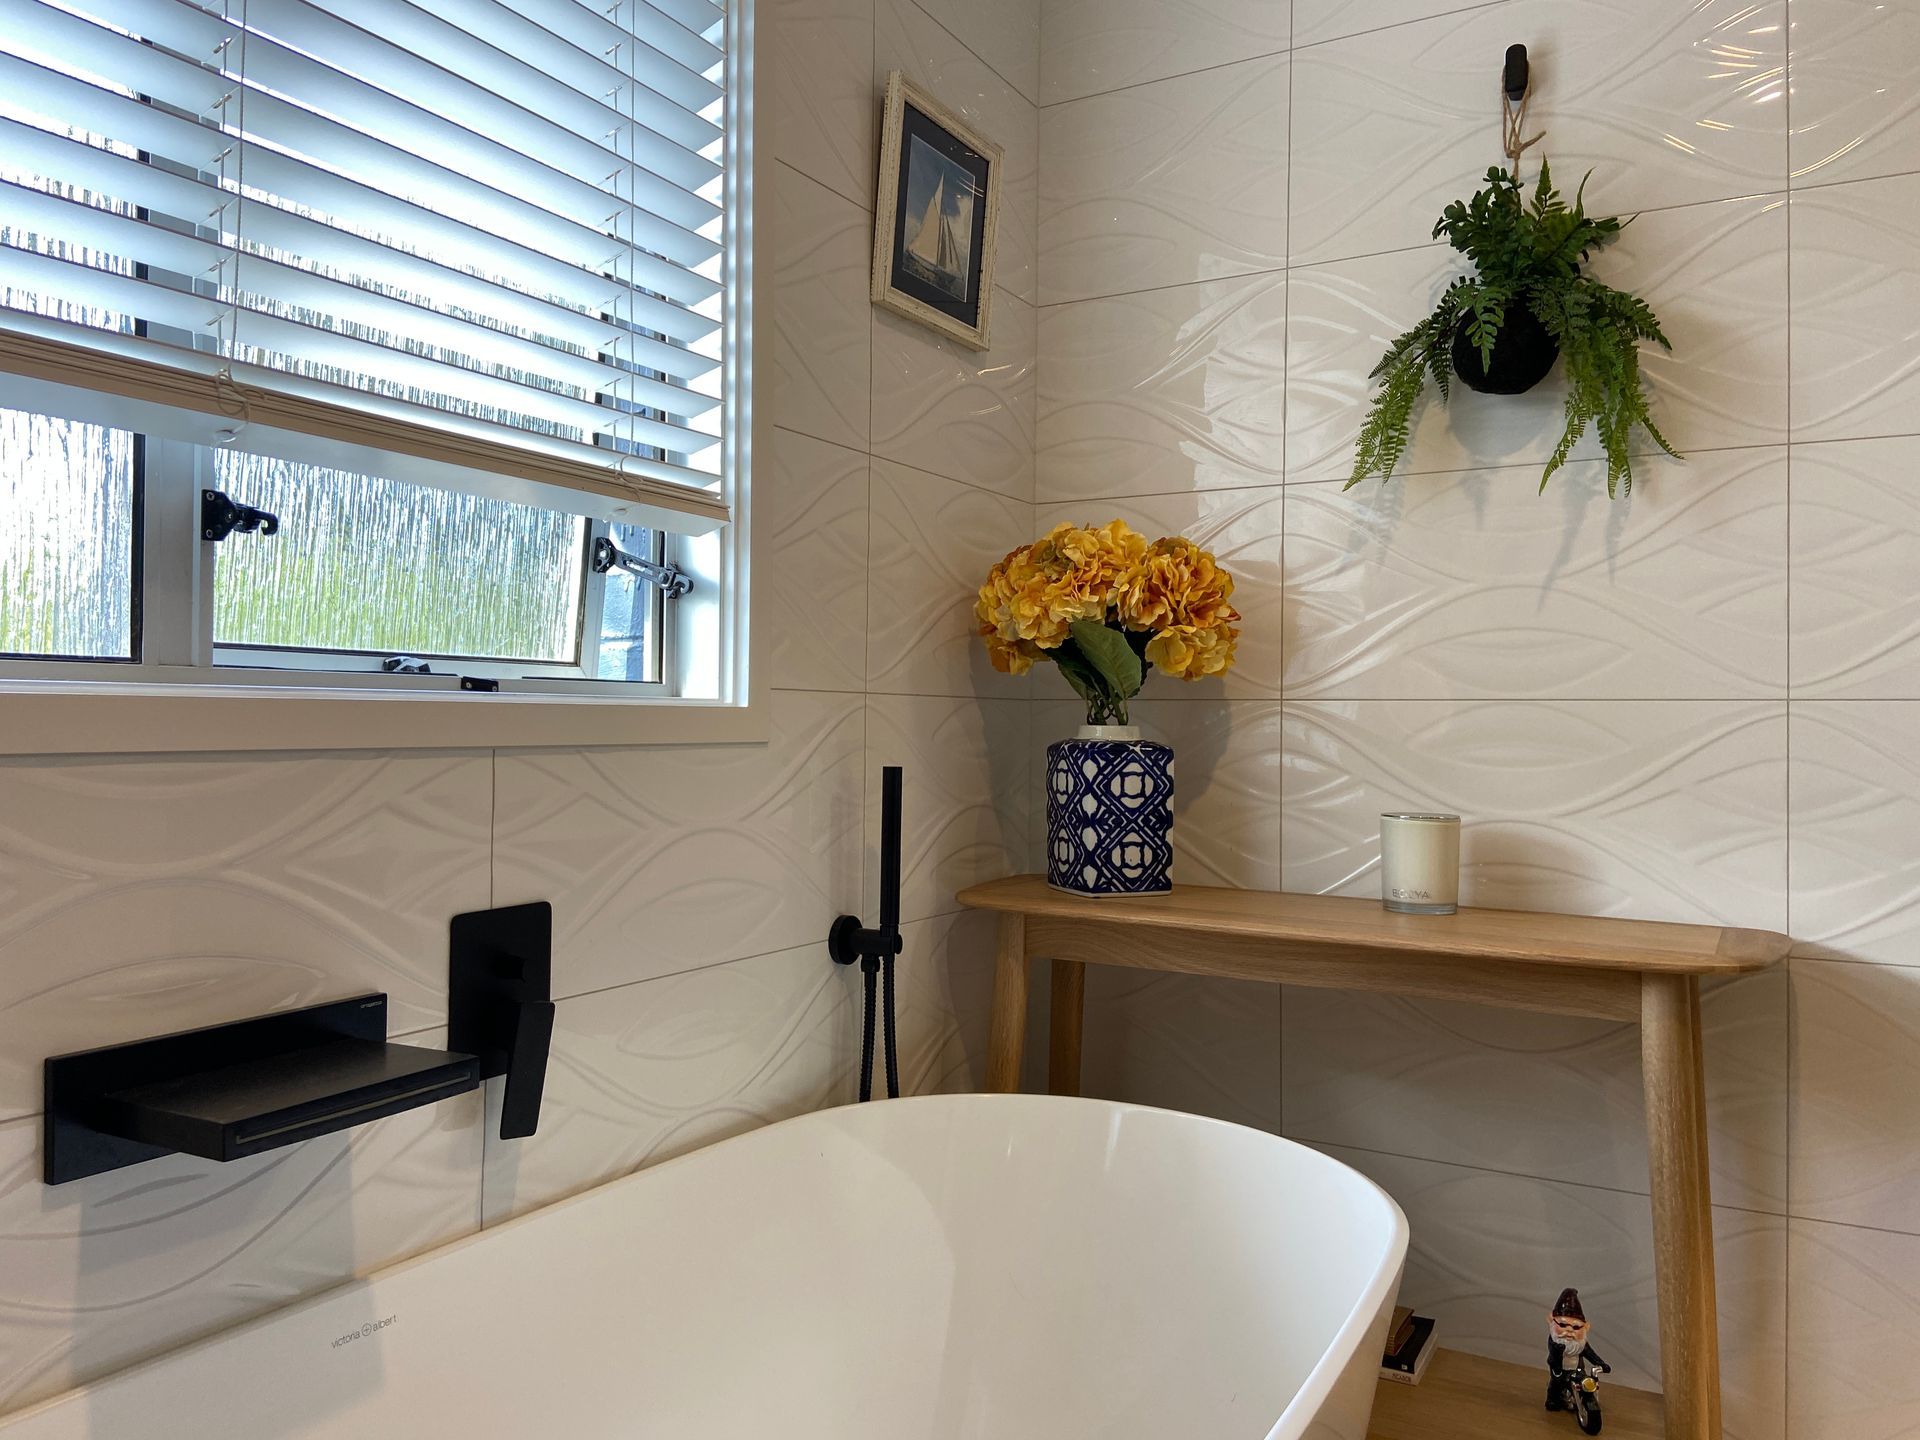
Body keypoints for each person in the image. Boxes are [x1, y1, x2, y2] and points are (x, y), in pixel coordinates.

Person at [1546, 1288, 1610, 1411]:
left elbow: (1590, 1354)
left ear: (1586, 1327)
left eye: (1576, 1327)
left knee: (1584, 1383)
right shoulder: (1555, 1342)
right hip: (1558, 1370)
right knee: (1555, 1386)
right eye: (1563, 1325)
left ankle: (1580, 1400)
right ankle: (1553, 1399)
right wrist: (1558, 1352)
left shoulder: (1580, 1344)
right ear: (1551, 1321)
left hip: (1577, 1370)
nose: (1569, 1331)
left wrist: (1601, 1363)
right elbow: (1554, 1357)